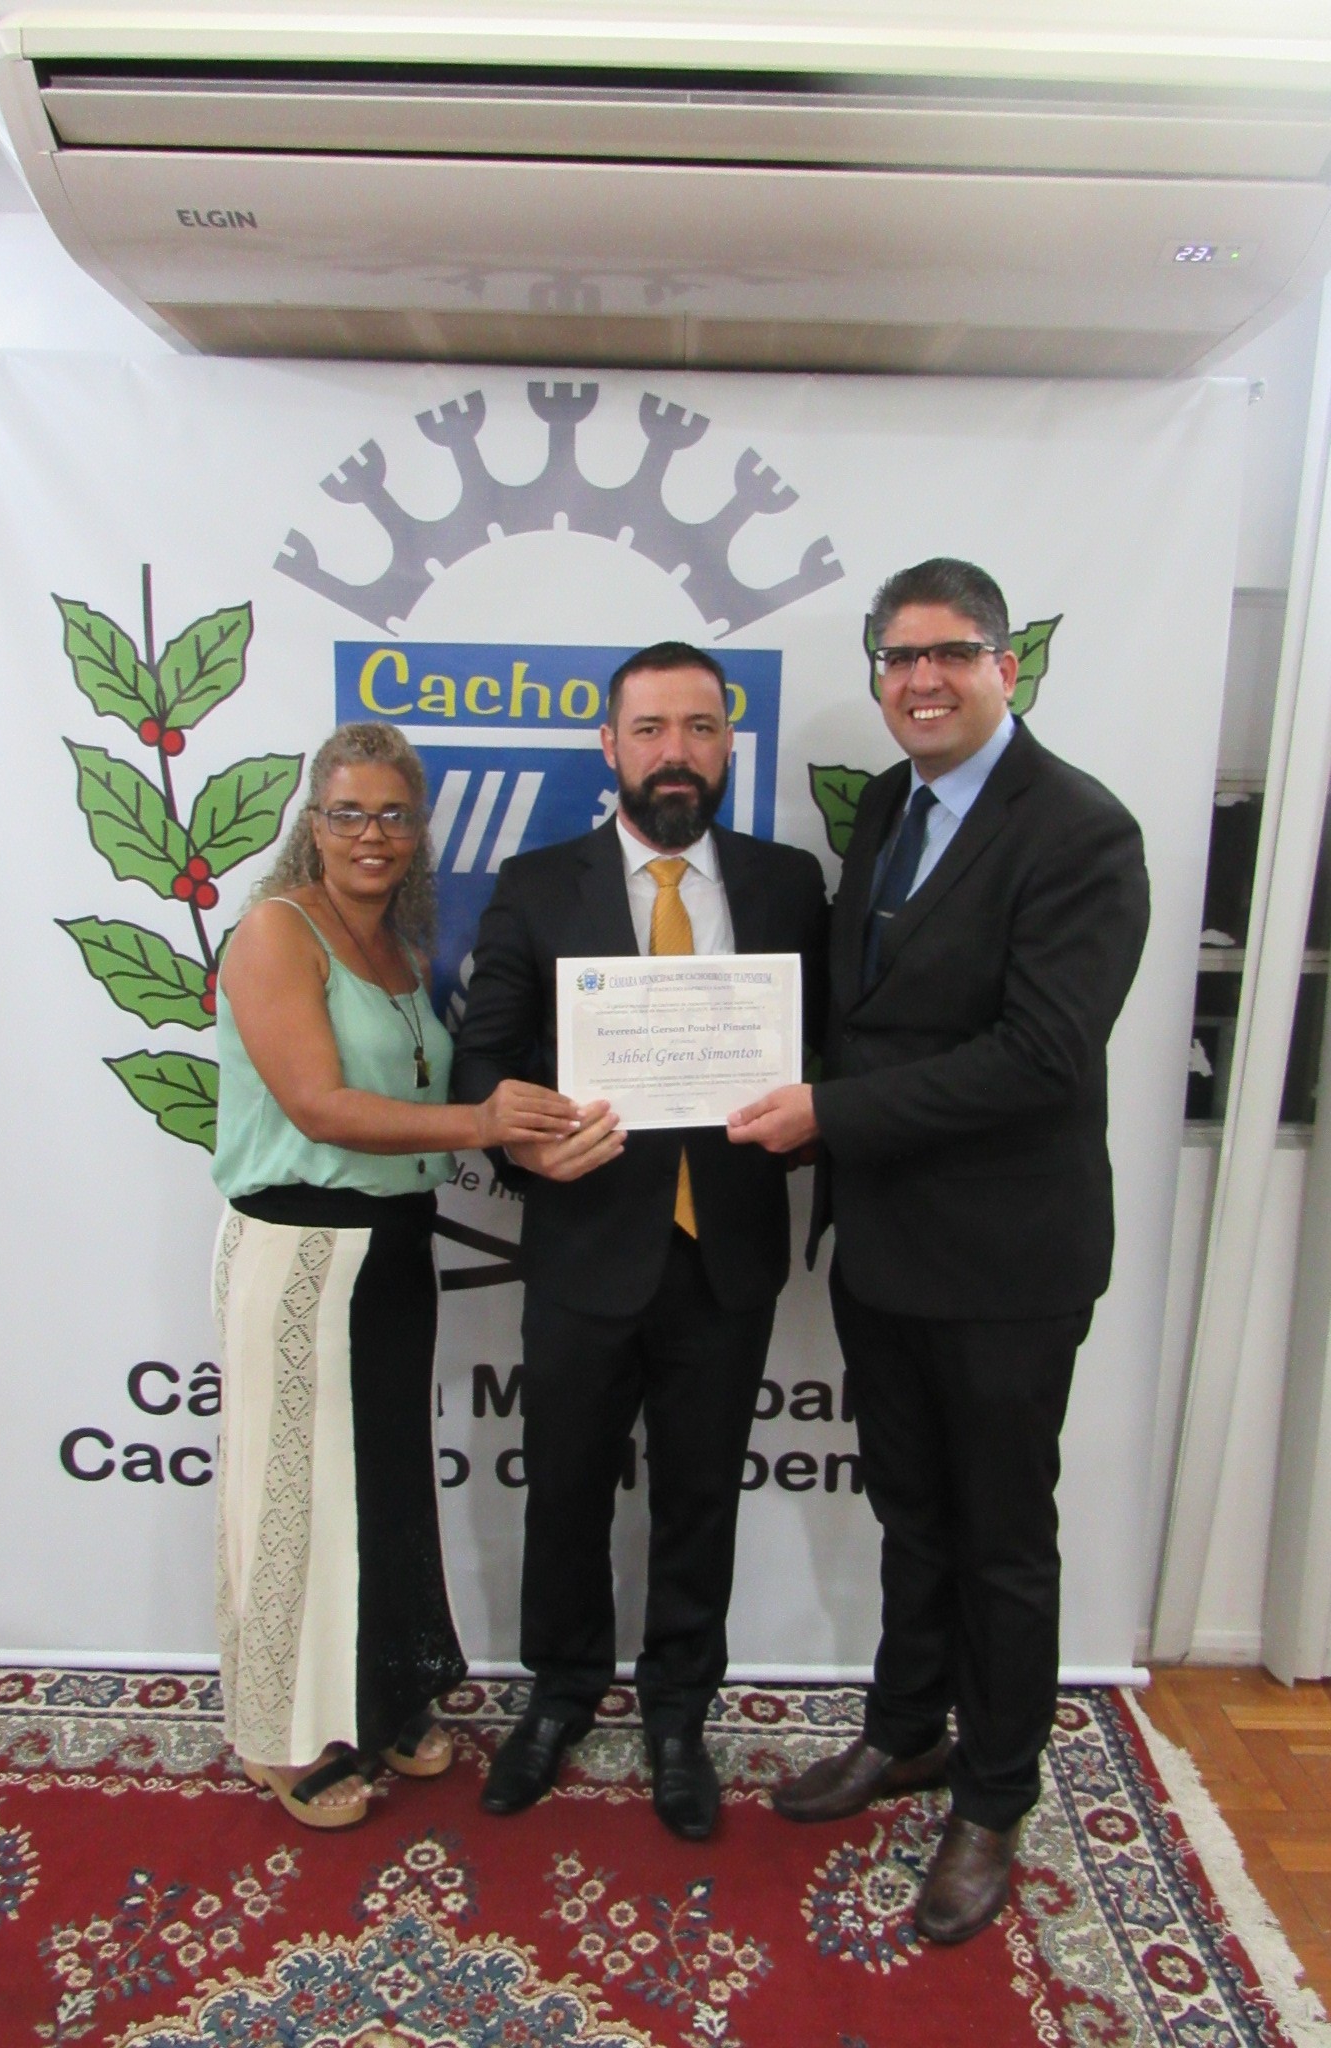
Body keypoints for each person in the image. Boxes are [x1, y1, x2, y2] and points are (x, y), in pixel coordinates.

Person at [730, 559, 1149, 1942]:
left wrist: (830, 1112)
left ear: (1004, 666)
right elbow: (874, 1016)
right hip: (887, 1243)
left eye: (951, 653)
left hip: (1009, 1261)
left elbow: (1040, 1055)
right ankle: (907, 1727)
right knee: (913, 1515)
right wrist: (783, 1100)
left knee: (1002, 1542)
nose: (922, 679)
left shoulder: (1081, 829)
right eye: (898, 656)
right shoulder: (890, 808)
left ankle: (994, 1795)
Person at [452, 641, 827, 1840]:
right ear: (609, 745)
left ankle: (677, 1712)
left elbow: (827, 1051)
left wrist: (812, 1110)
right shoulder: (535, 882)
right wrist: (524, 1144)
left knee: (702, 1494)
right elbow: (481, 1060)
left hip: (726, 1248)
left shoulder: (786, 884)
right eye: (652, 729)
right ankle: (558, 1696)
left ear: (728, 744)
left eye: (699, 728)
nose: (677, 752)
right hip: (585, 1243)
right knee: (565, 1486)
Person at [211, 721, 577, 1830]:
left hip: (394, 1249)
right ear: (311, 823)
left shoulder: (402, 953)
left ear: (420, 830)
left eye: (392, 814)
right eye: (347, 812)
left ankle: (380, 1697)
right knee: (293, 1501)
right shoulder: (275, 933)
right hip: (302, 1251)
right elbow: (320, 1107)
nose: (370, 834)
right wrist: (484, 1123)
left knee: (378, 1489)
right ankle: (281, 1735)